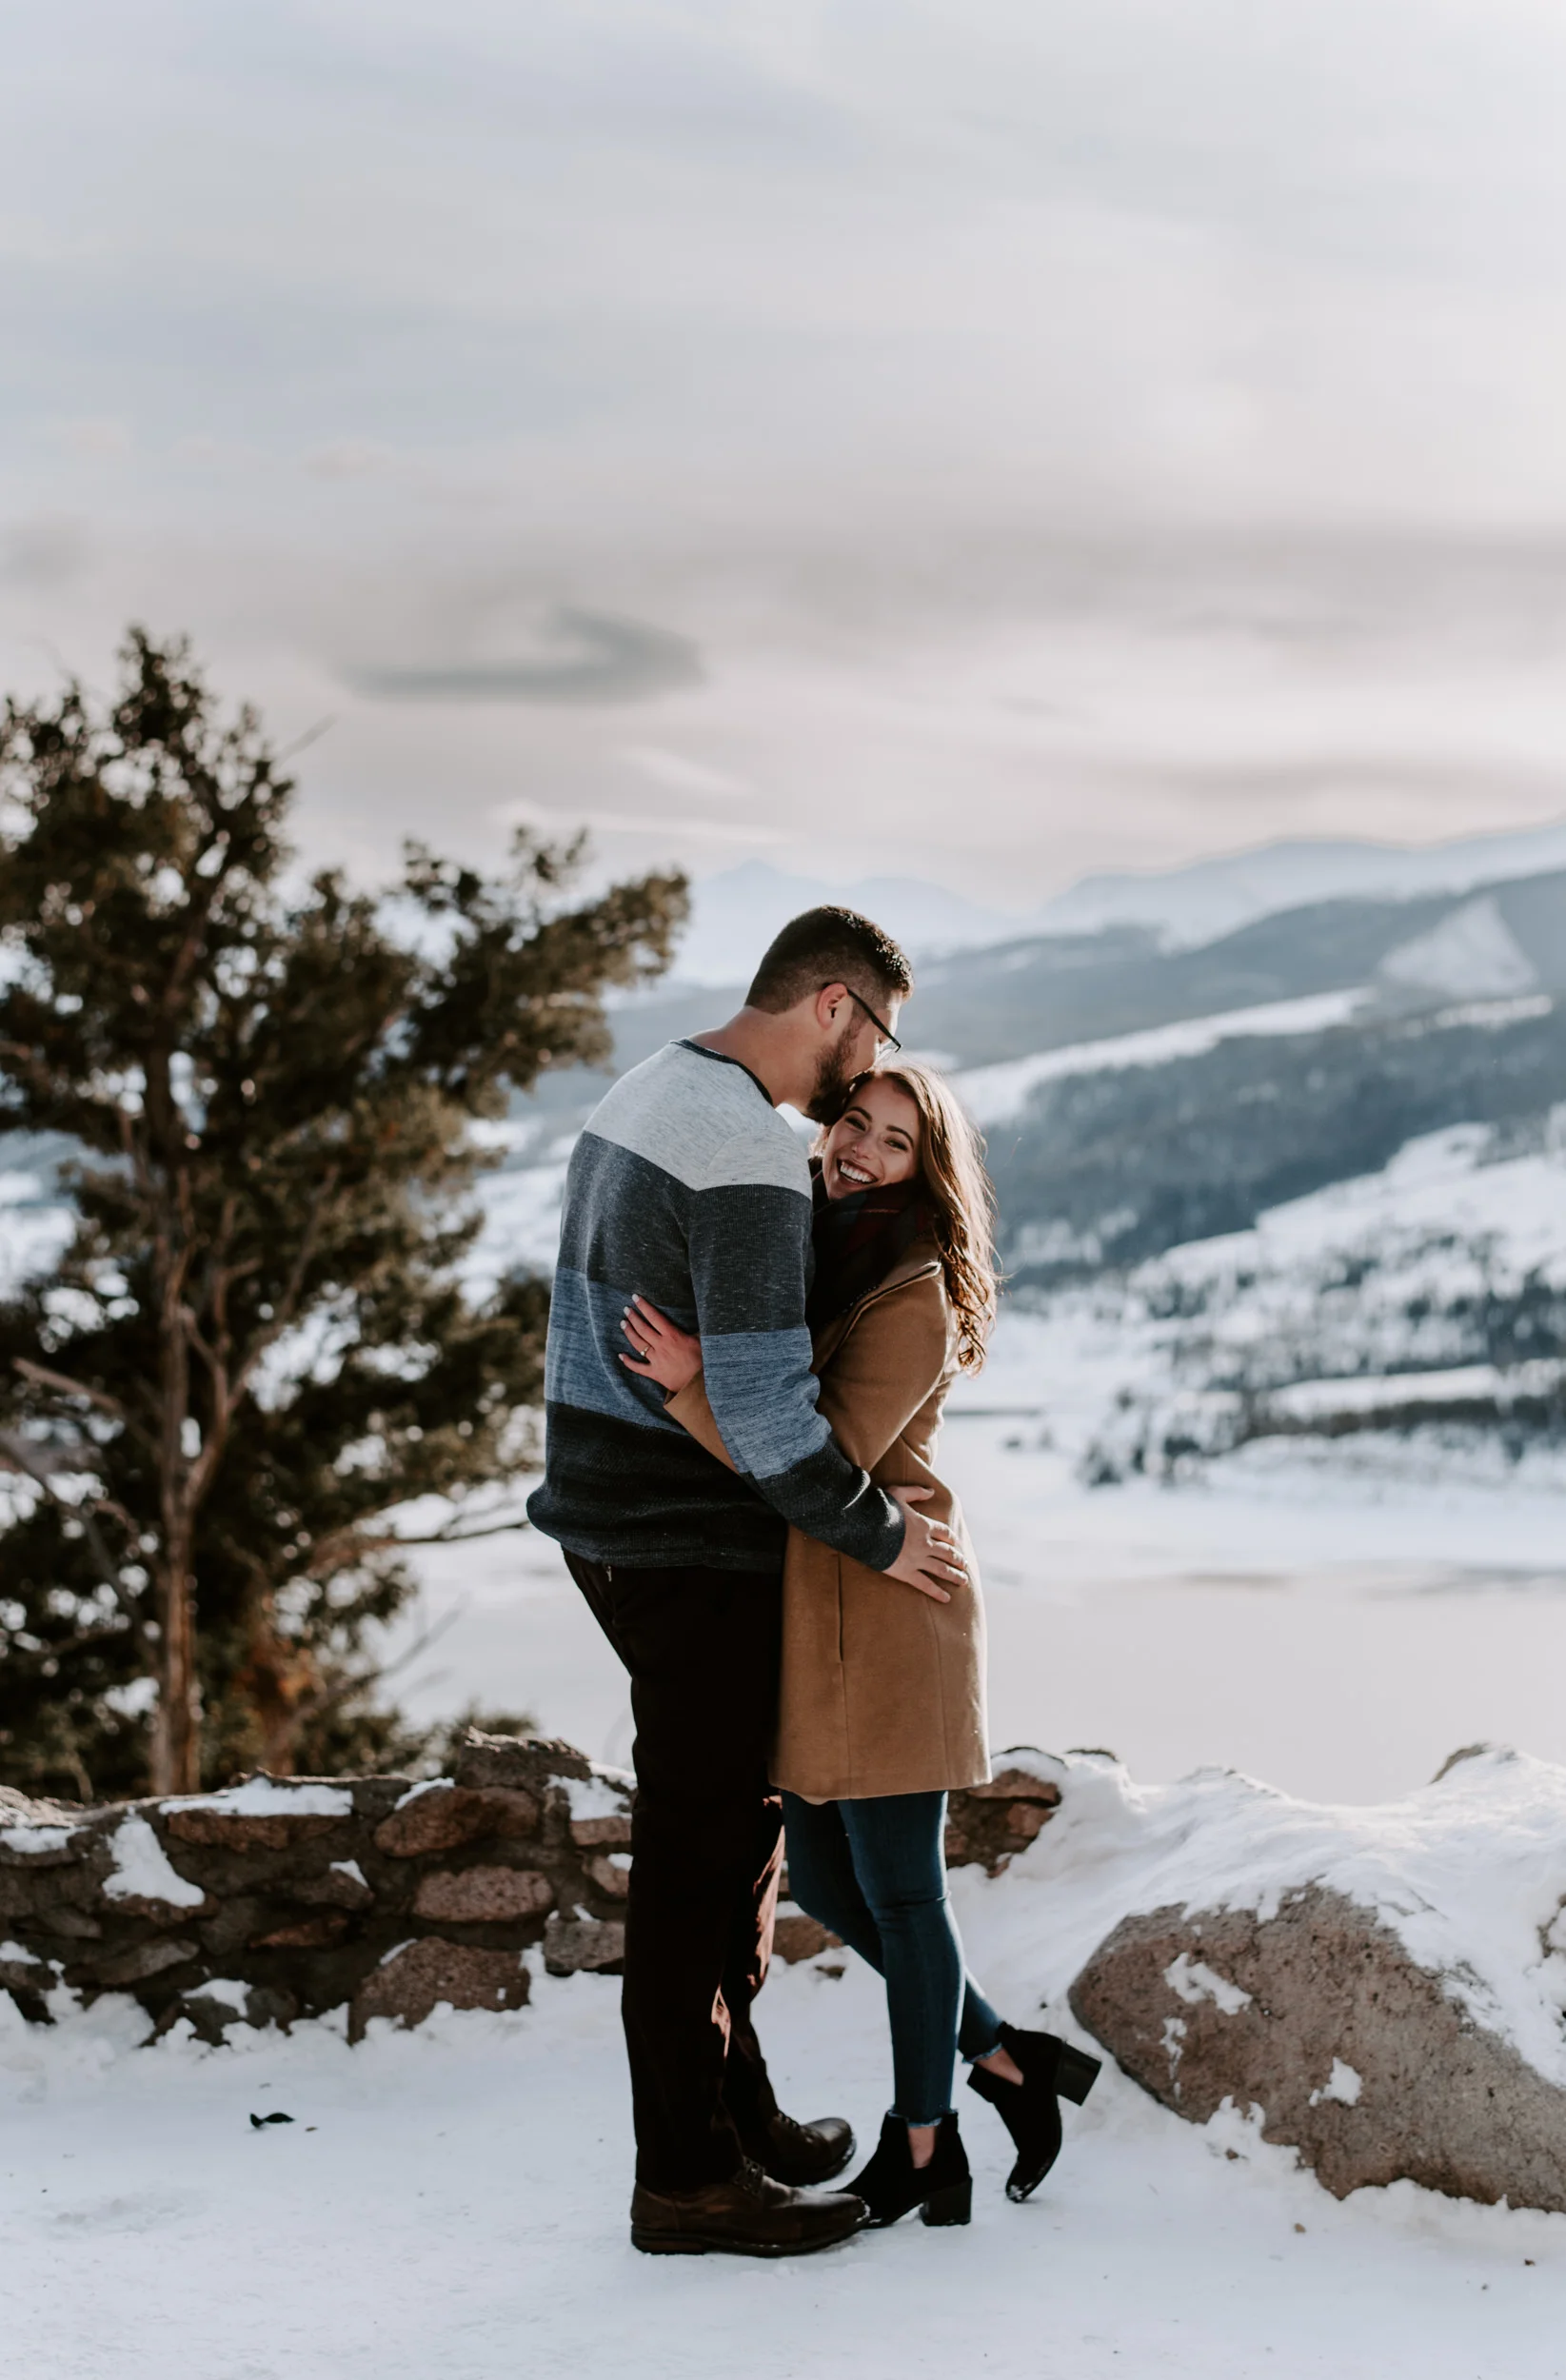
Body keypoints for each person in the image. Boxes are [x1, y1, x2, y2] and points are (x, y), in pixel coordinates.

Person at [526, 908, 970, 2259]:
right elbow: (778, 1421)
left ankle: (737, 2112)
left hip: (608, 1515)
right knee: (695, 1861)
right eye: (877, 1035)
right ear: (836, 1006)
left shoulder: (652, 1087)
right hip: (684, 1540)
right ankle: (685, 2179)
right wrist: (880, 1537)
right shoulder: (751, 1156)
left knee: (735, 1840)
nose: (870, 1068)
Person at [622, 1061, 1101, 2231]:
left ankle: (925, 2144)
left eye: (895, 1140)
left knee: (901, 1892)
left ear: (925, 1170)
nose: (861, 1150)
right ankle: (1008, 2062)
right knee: (834, 1886)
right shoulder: (812, 1241)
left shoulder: (910, 1286)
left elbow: (820, 1455)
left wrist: (691, 1390)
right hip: (820, 1609)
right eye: (853, 1122)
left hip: (892, 1607)